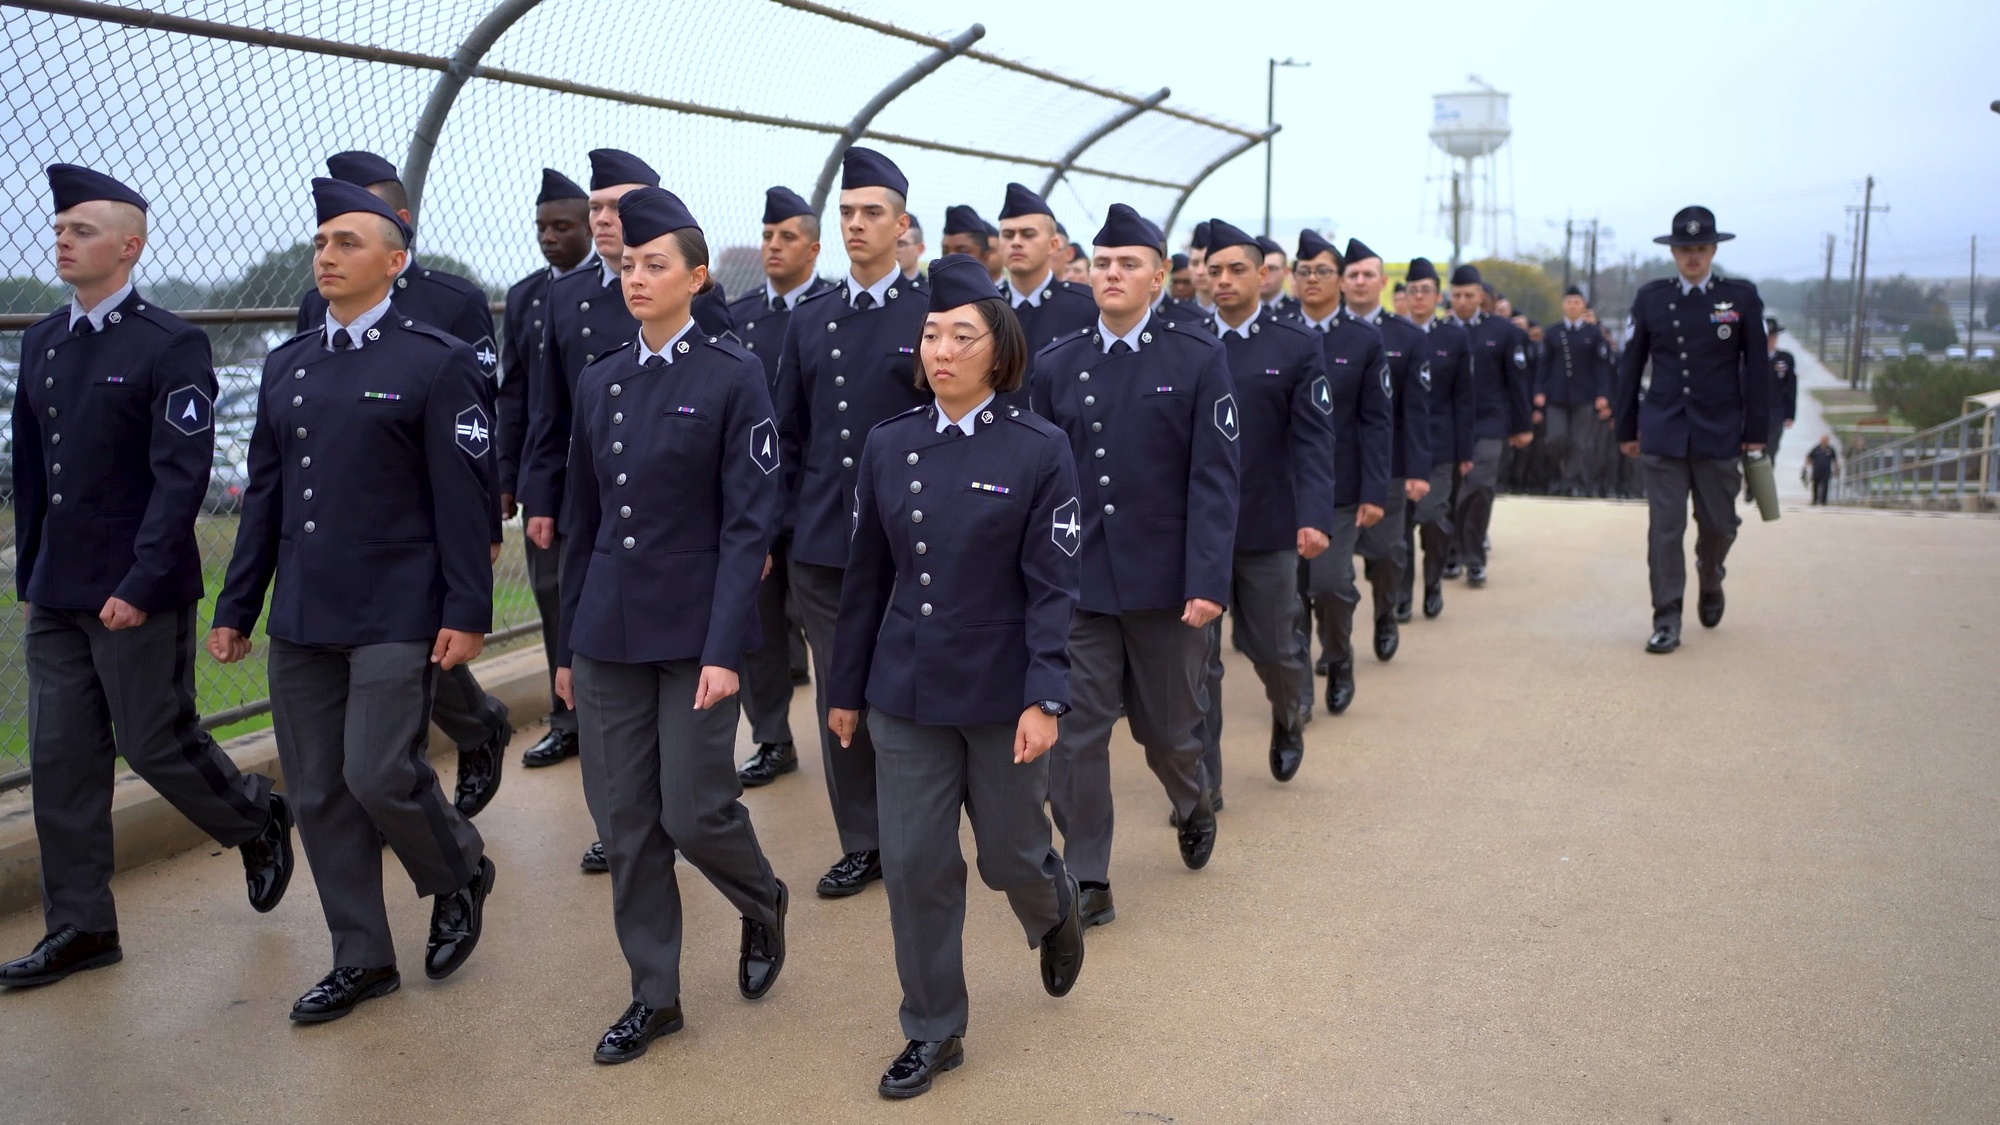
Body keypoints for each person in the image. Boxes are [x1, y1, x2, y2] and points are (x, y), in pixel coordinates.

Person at [1, 164, 294, 991]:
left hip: (138, 587)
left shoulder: (171, 343)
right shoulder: (43, 341)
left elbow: (181, 477)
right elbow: (31, 470)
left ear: (128, 247)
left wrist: (140, 577)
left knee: (154, 741)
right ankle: (82, 927)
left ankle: (255, 813)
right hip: (59, 590)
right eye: (59, 228)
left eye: (82, 229)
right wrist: (34, 572)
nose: (63, 238)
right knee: (61, 761)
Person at [210, 178, 496, 1022]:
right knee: (320, 791)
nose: (325, 256)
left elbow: (463, 499)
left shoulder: (432, 360)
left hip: (398, 609)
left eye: (346, 242)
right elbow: (263, 495)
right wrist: (236, 607)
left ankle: (458, 869)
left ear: (394, 260)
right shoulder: (288, 365)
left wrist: (467, 610)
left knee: (378, 773)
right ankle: (362, 956)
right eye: (321, 243)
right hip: (305, 610)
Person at [828, 253, 1086, 1099]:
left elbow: (1055, 587)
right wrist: (843, 690)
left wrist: (1047, 696)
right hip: (906, 690)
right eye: (932, 334)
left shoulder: (1040, 448)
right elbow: (865, 576)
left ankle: (1052, 903)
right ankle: (934, 1027)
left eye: (961, 335)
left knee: (1009, 855)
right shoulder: (888, 443)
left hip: (1004, 691)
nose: (941, 349)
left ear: (999, 350)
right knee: (913, 863)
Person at [548, 186, 788, 1064]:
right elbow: (584, 521)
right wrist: (568, 648)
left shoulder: (732, 374)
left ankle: (761, 900)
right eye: (627, 264)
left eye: (655, 265)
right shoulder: (602, 378)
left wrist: (726, 648)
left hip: (695, 636)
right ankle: (655, 995)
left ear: (695, 276)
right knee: (626, 820)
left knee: (694, 810)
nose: (635, 276)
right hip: (608, 633)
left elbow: (747, 524)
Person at [1028, 203, 1237, 926]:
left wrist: (1208, 581)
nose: (1112, 274)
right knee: (1075, 734)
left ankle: (1192, 796)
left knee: (1169, 730)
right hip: (1080, 587)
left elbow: (1215, 480)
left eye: (1128, 263)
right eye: (1102, 263)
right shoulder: (1057, 366)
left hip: (1167, 588)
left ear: (1158, 276)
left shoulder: (1195, 356)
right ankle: (1088, 872)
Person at [295, 150, 512, 820]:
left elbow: (483, 415)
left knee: (414, 650)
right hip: (350, 520)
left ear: (399, 225)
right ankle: (446, 754)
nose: (335, 239)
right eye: (326, 228)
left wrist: (487, 516)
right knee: (395, 658)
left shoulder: (452, 301)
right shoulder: (315, 304)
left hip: (431, 516)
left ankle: (470, 731)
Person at [774, 146, 932, 898]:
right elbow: (789, 434)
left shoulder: (934, 316)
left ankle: (923, 826)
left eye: (873, 213)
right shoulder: (813, 320)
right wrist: (780, 531)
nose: (857, 226)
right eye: (847, 214)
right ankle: (863, 840)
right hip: (828, 544)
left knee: (910, 687)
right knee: (843, 688)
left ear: (902, 225)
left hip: (917, 540)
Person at [522, 147, 663, 873]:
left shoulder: (684, 290)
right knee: (588, 662)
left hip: (668, 524)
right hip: (590, 512)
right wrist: (540, 497)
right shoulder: (568, 299)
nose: (605, 220)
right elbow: (548, 409)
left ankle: (665, 805)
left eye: (617, 206)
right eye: (598, 208)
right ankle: (617, 820)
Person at [1195, 219, 1333, 798]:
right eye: (1214, 270)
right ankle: (1202, 786)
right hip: (1197, 529)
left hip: (1268, 523)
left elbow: (1313, 438)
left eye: (1236, 270)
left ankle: (1287, 712)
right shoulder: (1184, 339)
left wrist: (1314, 515)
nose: (1223, 280)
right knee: (1197, 666)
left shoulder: (1295, 345)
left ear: (1263, 275)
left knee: (1276, 647)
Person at [1614, 206, 1769, 654]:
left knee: (1719, 524)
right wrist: (1627, 426)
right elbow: (1630, 367)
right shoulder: (1651, 299)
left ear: (1714, 249)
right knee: (1665, 527)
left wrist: (1756, 433)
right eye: (1685, 249)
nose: (1693, 257)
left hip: (1719, 430)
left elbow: (1756, 369)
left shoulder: (1740, 298)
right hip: (1663, 430)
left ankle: (1710, 571)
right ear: (1674, 252)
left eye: (1701, 248)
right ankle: (1666, 617)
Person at [727, 187, 834, 788]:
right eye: (768, 236)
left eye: (786, 237)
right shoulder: (741, 317)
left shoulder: (828, 313)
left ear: (813, 249)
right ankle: (772, 737)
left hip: (816, 499)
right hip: (754, 500)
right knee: (760, 629)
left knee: (828, 631)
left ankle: (849, 731)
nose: (773, 246)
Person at [496, 168, 593, 794]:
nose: (550, 238)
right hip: (543, 473)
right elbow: (516, 395)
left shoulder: (615, 289)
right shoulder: (529, 296)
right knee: (553, 597)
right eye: (542, 228)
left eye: (563, 227)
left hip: (601, 475)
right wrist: (506, 476)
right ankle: (567, 717)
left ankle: (602, 710)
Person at [1289, 234, 1392, 714]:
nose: (1312, 279)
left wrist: (1375, 489)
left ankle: (1337, 655)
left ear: (1341, 280)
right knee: (1287, 595)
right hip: (1281, 489)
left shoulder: (1364, 339)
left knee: (1329, 584)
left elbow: (1376, 420)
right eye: (1303, 270)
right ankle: (1296, 693)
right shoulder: (1275, 331)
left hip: (1341, 487)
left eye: (1322, 271)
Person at [1338, 240, 1431, 650]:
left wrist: (1417, 470)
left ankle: (1384, 613)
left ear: (1383, 281)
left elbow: (1416, 410)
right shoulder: (1319, 334)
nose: (1360, 282)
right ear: (1342, 281)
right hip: (1335, 463)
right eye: (1353, 274)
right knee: (1328, 566)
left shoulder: (1406, 338)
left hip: (1388, 465)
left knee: (1387, 552)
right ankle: (1334, 637)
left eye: (1368, 275)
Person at [1446, 264, 1532, 588]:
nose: (1463, 301)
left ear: (1481, 296)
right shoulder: (1440, 330)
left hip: (1489, 419)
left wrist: (1521, 425)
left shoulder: (1503, 331)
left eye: (1469, 295)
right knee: (1452, 489)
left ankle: (1474, 557)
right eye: (1457, 295)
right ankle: (1452, 552)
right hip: (1449, 422)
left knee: (1480, 485)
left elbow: (1517, 382)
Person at [1399, 259, 1475, 620]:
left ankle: (1432, 584)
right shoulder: (1391, 334)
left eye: (1425, 290)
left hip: (1439, 447)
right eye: (1412, 290)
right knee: (1399, 527)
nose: (1418, 297)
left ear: (1437, 295)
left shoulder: (1453, 337)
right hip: (1397, 447)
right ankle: (1400, 594)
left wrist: (1465, 450)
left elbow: (1464, 397)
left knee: (1431, 518)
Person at [996, 183, 1097, 358]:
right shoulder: (986, 308)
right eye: (1008, 235)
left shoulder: (1087, 307)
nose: (1016, 242)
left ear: (1053, 245)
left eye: (1028, 234)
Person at [1538, 286, 1613, 498]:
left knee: (1579, 442)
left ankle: (1569, 482)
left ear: (1583, 306)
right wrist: (1539, 390)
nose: (1572, 306)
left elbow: (1601, 366)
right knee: (1555, 438)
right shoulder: (1552, 332)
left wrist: (1602, 394)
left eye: (1577, 302)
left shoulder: (1594, 333)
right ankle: (1558, 473)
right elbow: (1543, 365)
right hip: (1556, 394)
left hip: (1585, 395)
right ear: (1563, 305)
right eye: (1569, 302)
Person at [1752, 316, 1798, 501]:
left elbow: (1791, 388)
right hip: (1752, 414)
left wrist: (1790, 415)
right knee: (1751, 451)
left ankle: (1763, 488)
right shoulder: (1748, 358)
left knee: (1770, 451)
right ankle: (1751, 484)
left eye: (1773, 336)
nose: (1771, 340)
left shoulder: (1784, 360)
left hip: (1775, 414)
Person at [939, 204, 1003, 283]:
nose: (950, 258)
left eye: (962, 251)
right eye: (945, 252)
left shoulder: (1005, 295)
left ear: (984, 257)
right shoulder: (929, 294)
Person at [1256, 235, 1296, 317]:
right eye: (1258, 269)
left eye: (1271, 268)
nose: (1263, 274)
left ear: (1286, 272)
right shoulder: (1238, 311)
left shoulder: (1301, 311)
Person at [896, 215, 927, 291]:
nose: (893, 250)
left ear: (919, 249)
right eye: (889, 244)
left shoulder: (931, 291)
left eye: (900, 245)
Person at [1806, 435, 1838, 504]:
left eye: (1825, 441)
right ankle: (1814, 500)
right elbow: (1809, 456)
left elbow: (1834, 460)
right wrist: (1807, 466)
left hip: (1826, 471)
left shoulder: (1831, 450)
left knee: (1825, 486)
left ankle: (1824, 501)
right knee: (1815, 485)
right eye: (1823, 440)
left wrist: (1836, 469)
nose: (1824, 442)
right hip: (1816, 470)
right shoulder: (1816, 449)